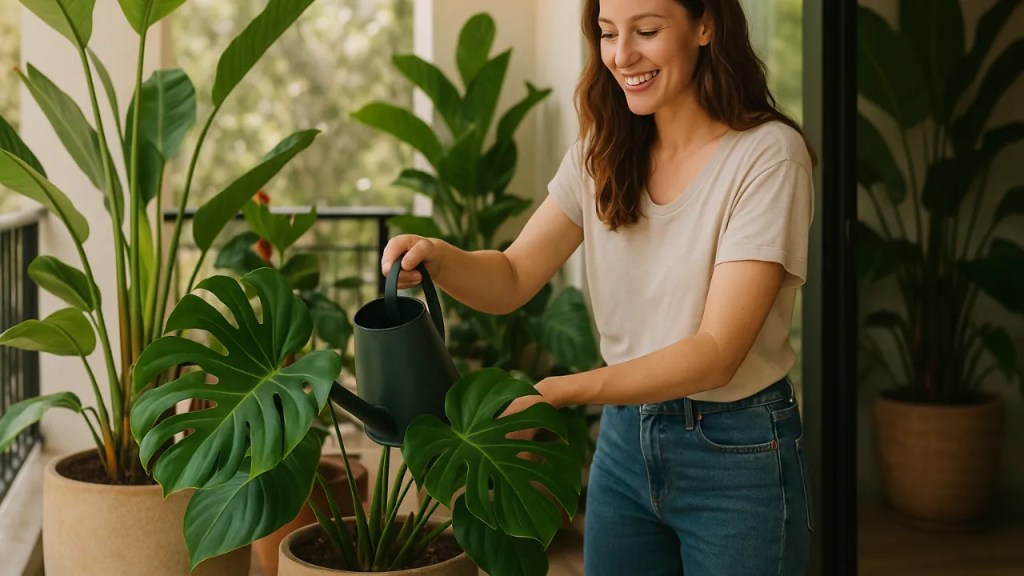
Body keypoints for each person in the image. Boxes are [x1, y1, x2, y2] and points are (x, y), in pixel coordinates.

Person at [381, 0, 815, 574]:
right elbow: (512, 277)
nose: (621, 55)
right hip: (624, 441)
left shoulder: (767, 158)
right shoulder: (602, 151)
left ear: (706, 24)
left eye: (647, 31)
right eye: (608, 33)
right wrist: (438, 258)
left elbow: (716, 353)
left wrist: (558, 391)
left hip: (736, 453)